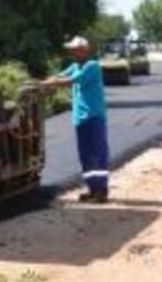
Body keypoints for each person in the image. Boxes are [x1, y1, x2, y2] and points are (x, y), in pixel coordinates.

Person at [40, 36, 110, 203]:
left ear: (83, 50)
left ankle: (101, 190)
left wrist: (52, 84)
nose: (71, 52)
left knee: (97, 154)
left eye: (74, 49)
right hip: (80, 118)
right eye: (70, 49)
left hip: (93, 117)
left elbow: (71, 80)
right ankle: (92, 188)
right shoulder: (75, 65)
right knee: (85, 155)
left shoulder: (92, 66)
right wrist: (42, 83)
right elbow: (60, 75)